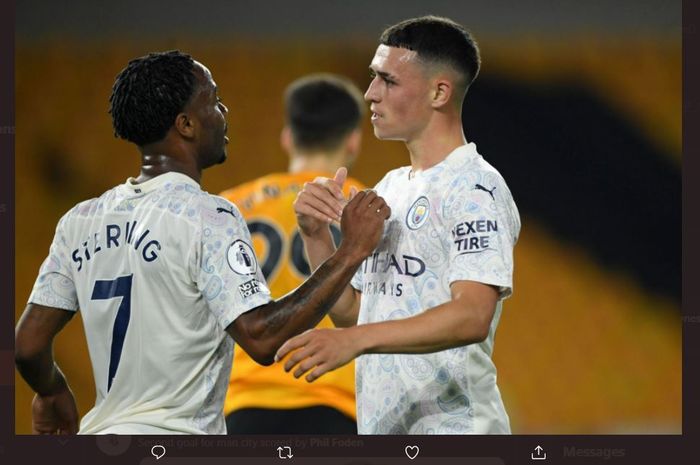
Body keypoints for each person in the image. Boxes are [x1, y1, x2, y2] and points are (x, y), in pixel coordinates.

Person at [14, 51, 390, 435]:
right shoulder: (210, 215)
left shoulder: (79, 220)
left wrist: (52, 392)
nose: (224, 112)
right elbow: (261, 337)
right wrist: (348, 253)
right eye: (213, 101)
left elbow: (27, 345)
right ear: (187, 124)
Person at [277, 16, 521, 434]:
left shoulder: (476, 187)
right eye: (373, 78)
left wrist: (354, 341)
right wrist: (315, 233)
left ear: (439, 91)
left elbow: (472, 314)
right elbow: (355, 315)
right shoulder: (390, 189)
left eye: (387, 80)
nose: (370, 93)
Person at [220, 74, 366, 434]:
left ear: (287, 136)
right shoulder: (371, 211)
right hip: (336, 401)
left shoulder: (227, 208)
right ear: (353, 140)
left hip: (243, 403)